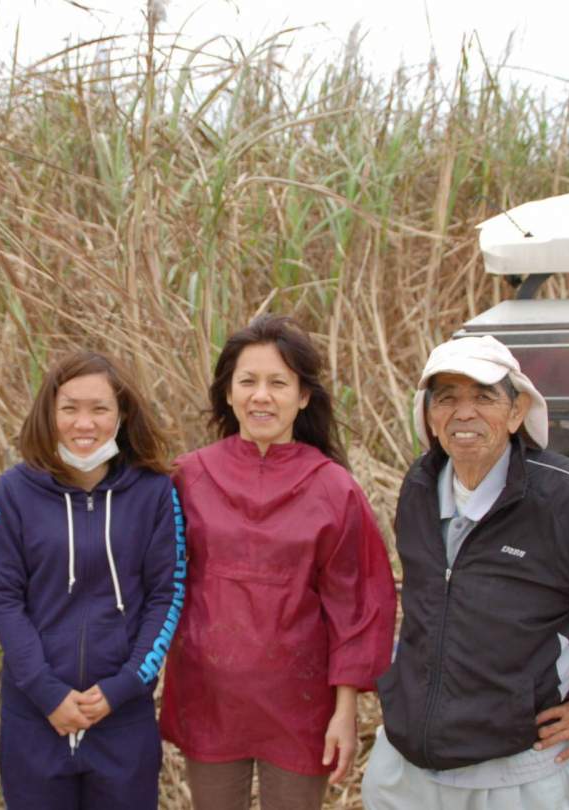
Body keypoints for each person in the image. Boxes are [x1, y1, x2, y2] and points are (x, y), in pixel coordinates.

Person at [363, 335, 569, 809]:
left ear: (517, 412)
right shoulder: (418, 488)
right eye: (447, 397)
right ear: (429, 415)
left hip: (515, 776)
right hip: (405, 772)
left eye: (483, 397)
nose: (464, 412)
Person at [159, 314, 397, 810]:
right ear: (227, 393)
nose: (261, 396)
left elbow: (358, 605)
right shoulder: (186, 478)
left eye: (278, 383)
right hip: (210, 696)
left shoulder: (335, 489)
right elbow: (152, 579)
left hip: (301, 705)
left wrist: (345, 711)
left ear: (303, 396)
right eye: (247, 381)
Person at [0, 350, 186, 810]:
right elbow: (1, 598)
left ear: (122, 414)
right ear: (49, 413)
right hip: (36, 717)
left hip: (123, 718)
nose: (84, 424)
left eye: (99, 409)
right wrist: (47, 693)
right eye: (70, 408)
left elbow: (166, 595)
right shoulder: (15, 490)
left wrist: (124, 686)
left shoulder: (154, 491)